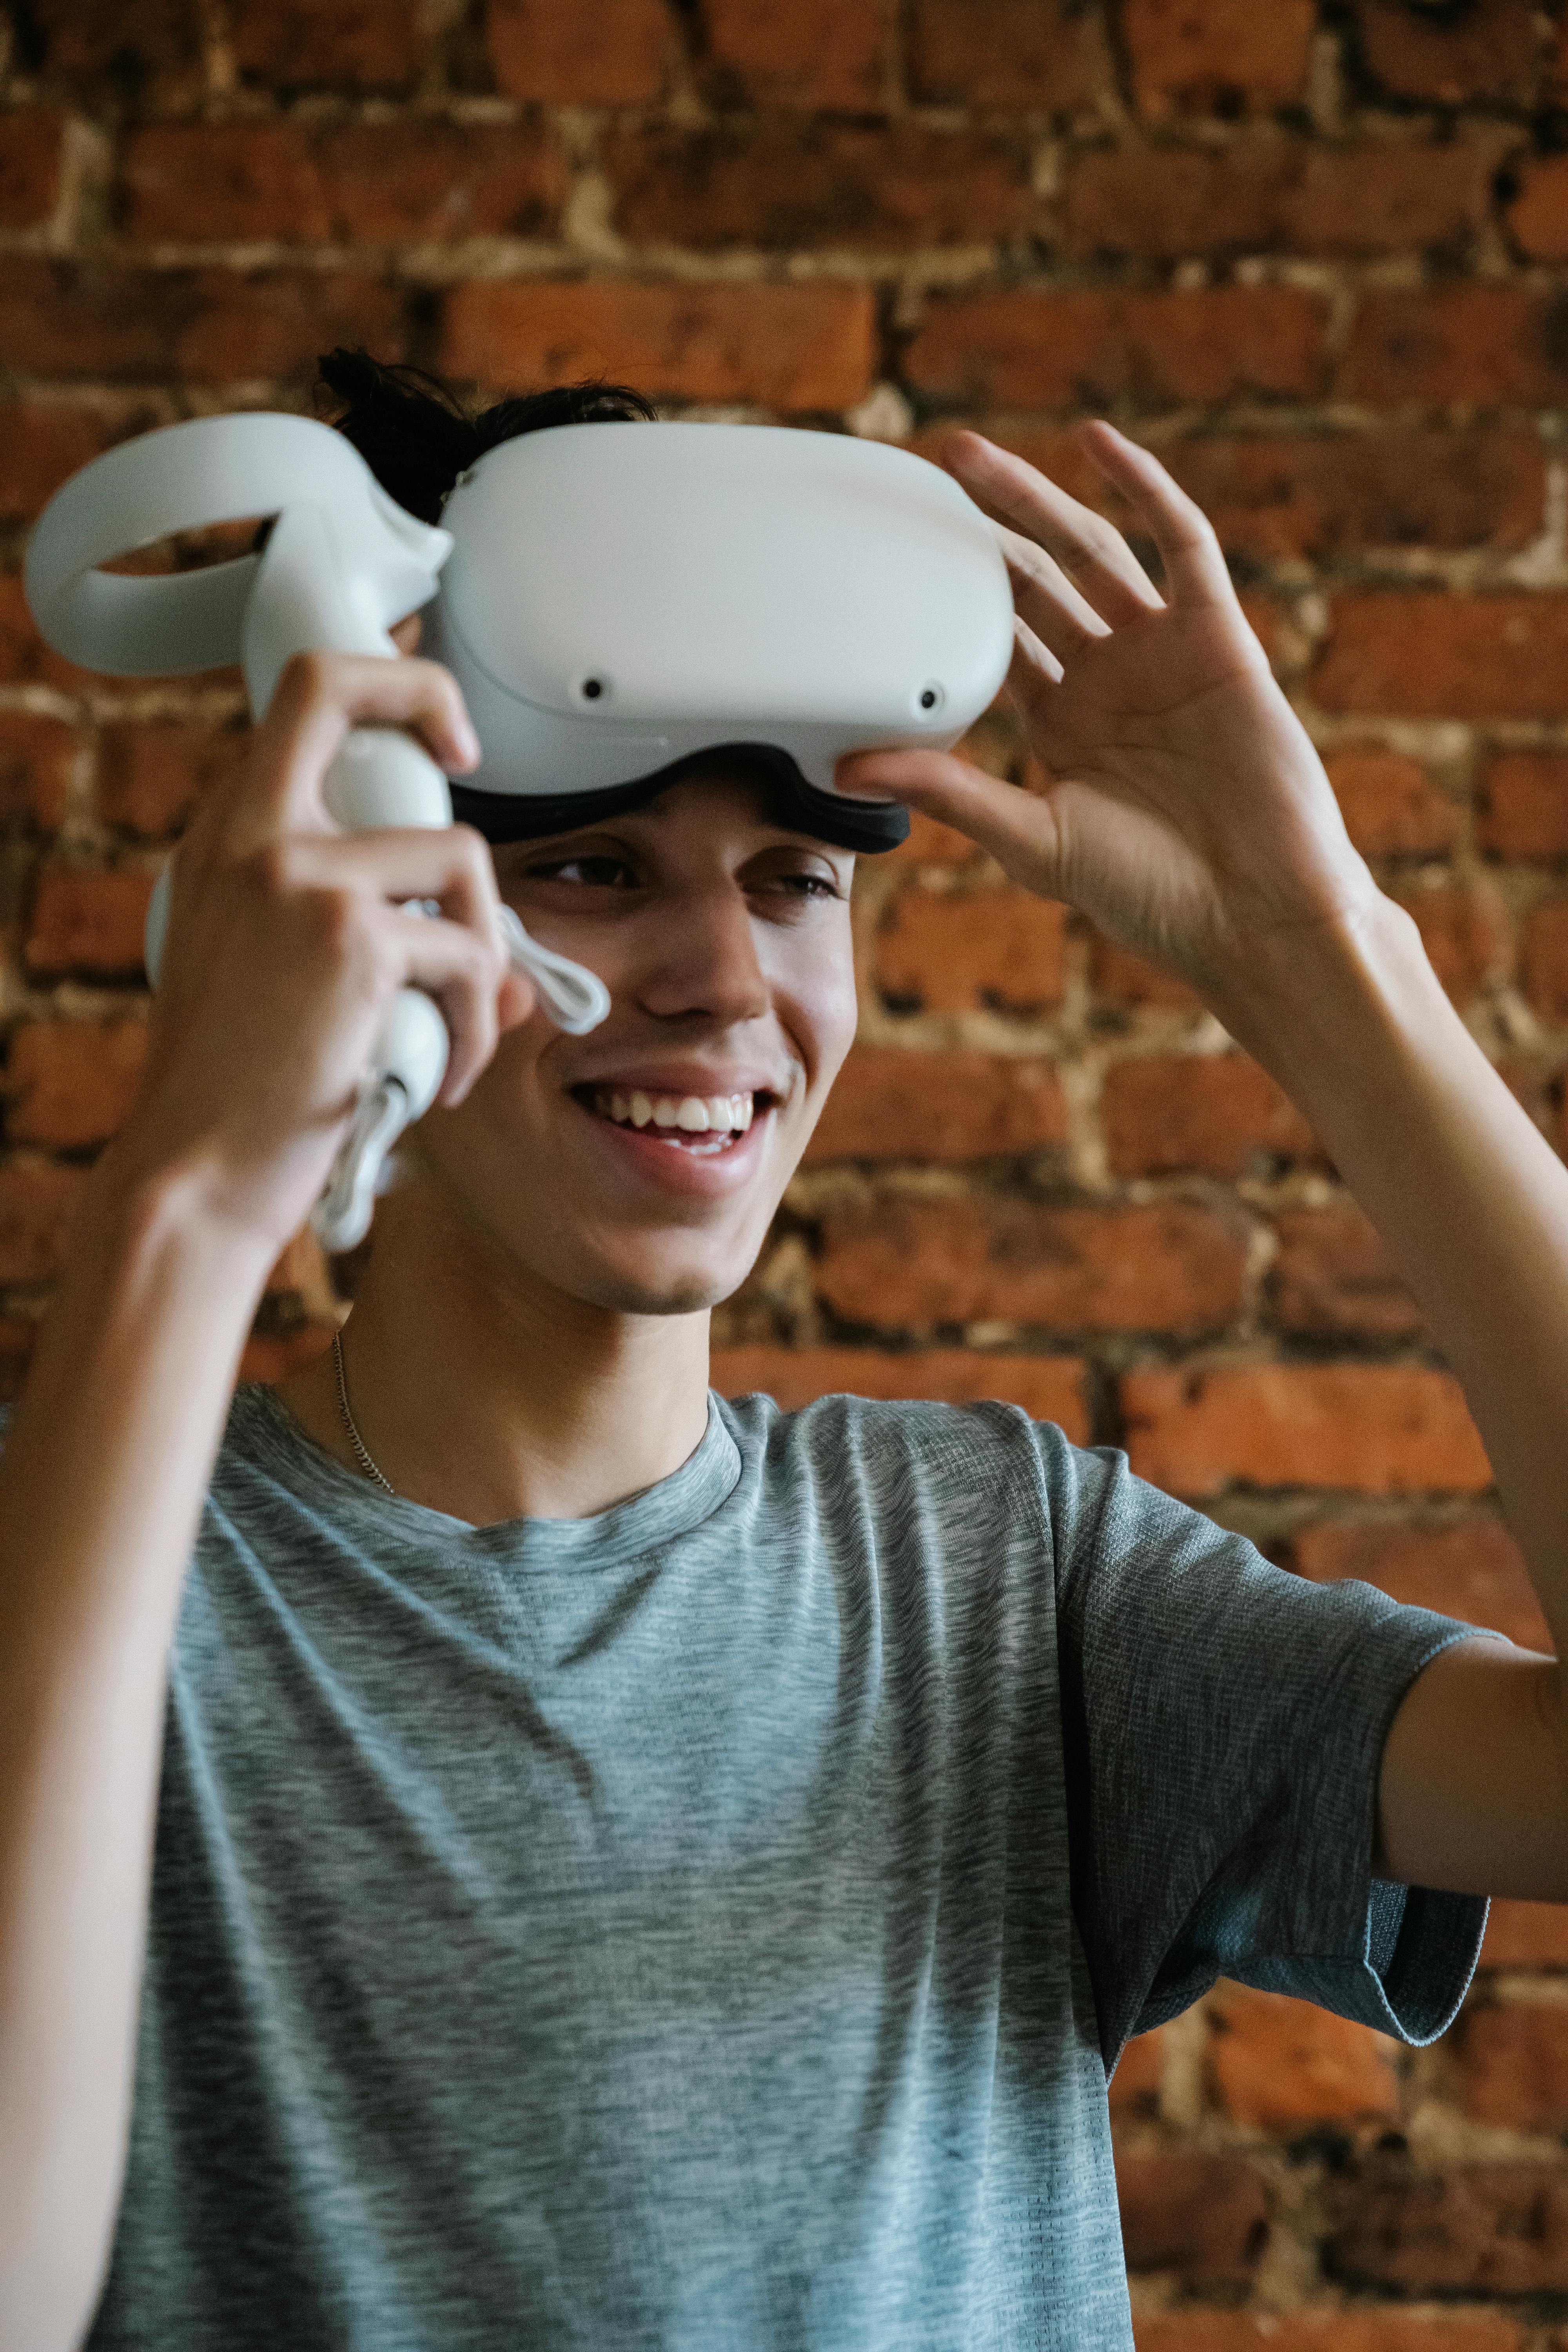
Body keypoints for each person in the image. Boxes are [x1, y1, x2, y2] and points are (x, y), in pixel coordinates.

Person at [2, 349, 1564, 2352]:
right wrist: (186, 1194)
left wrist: (1322, 955)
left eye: (793, 882)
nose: (725, 978)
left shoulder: (1003, 1570)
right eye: (593, 868)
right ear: (364, 896)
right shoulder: (109, 1566)